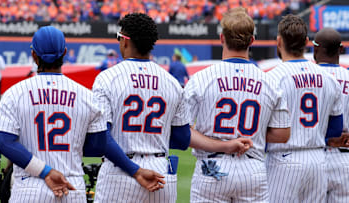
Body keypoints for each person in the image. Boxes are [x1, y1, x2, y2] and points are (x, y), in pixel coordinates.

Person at [92, 13, 253, 203]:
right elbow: (182, 138)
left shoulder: (107, 78)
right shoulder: (172, 83)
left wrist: (135, 169)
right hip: (161, 172)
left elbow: (101, 139)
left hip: (120, 171)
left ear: (126, 41)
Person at [0, 26, 165, 203]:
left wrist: (45, 170)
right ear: (65, 53)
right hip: (71, 186)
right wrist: (69, 145)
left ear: (34, 56)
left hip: (30, 186)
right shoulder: (87, 96)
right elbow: (98, 146)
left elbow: (5, 144)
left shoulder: (13, 94)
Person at [184, 8, 291, 202]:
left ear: (221, 38)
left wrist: (224, 145)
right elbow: (283, 134)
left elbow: (182, 132)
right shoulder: (270, 82)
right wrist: (252, 133)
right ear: (252, 41)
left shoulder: (201, 78)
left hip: (211, 167)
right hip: (252, 167)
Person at [266, 15, 346, 202]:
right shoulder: (328, 78)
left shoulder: (272, 78)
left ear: (279, 41)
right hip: (317, 159)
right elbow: (335, 128)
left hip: (282, 158)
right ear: (306, 42)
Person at [313, 27, 349, 203]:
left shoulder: (307, 78)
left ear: (315, 49)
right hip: (343, 158)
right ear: (341, 49)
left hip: (310, 155)